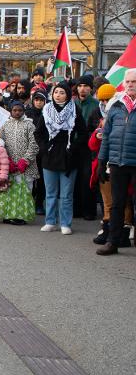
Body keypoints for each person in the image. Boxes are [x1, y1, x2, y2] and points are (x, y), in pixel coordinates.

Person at [34, 81, 88, 235]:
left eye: (62, 92)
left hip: (69, 155)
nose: (58, 95)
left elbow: (83, 133)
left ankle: (65, 223)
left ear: (68, 95)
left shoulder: (74, 109)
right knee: (50, 192)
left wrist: (74, 147)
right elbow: (38, 133)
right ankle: (50, 221)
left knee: (66, 194)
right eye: (56, 92)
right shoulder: (47, 109)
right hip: (50, 154)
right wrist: (44, 148)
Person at [96, 69, 136, 255]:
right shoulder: (117, 106)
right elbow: (107, 136)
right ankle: (113, 241)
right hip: (117, 162)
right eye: (127, 81)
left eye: (134, 81)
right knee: (117, 203)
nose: (129, 84)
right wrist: (102, 160)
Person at [89, 85, 131, 247]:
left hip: (122, 163)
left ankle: (124, 233)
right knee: (108, 200)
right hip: (105, 165)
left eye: (108, 99)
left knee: (124, 201)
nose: (105, 103)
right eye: (102, 100)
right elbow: (92, 145)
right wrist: (97, 135)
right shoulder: (100, 118)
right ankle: (108, 230)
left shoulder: (124, 114)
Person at [0, 101, 40, 224]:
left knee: (26, 189)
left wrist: (25, 160)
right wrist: (7, 160)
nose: (17, 112)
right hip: (10, 165)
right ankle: (9, 215)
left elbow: (34, 145)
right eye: (15, 110)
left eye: (20, 110)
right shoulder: (5, 125)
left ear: (23, 111)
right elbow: (1, 143)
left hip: (27, 165)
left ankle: (21, 216)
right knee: (9, 189)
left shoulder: (29, 125)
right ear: (11, 111)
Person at [73, 74, 99, 221]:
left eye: (86, 86)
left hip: (89, 147)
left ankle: (89, 210)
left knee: (87, 178)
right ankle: (76, 209)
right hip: (74, 146)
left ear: (91, 88)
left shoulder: (95, 105)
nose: (82, 89)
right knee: (75, 179)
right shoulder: (73, 103)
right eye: (80, 86)